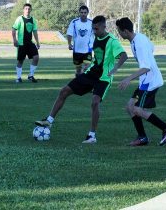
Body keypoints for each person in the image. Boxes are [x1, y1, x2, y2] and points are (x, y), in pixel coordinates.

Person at [35, 15, 128, 144]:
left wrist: (115, 68)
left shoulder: (112, 40)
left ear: (103, 27)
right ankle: (49, 121)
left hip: (104, 78)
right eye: (93, 29)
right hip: (91, 74)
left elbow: (124, 56)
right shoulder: (96, 37)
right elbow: (99, 57)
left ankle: (92, 136)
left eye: (96, 29)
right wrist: (89, 66)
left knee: (95, 102)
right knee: (64, 91)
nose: (94, 31)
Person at [115, 17, 166, 146]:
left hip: (150, 81)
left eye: (119, 31)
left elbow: (146, 67)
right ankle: (142, 137)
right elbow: (152, 48)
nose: (119, 34)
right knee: (130, 107)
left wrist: (128, 78)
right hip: (145, 80)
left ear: (125, 31)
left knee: (136, 109)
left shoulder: (139, 43)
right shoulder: (138, 38)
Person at [12, 3, 40, 83]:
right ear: (23, 10)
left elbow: (35, 32)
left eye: (29, 9)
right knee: (21, 60)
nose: (27, 10)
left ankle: (31, 76)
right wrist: (14, 40)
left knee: (36, 58)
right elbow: (13, 29)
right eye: (26, 9)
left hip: (30, 43)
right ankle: (18, 78)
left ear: (31, 10)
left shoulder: (33, 20)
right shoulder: (19, 19)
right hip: (21, 43)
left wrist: (38, 42)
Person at [66, 5, 94, 77]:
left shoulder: (91, 22)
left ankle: (84, 82)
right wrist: (69, 44)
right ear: (79, 13)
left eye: (85, 12)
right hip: (77, 49)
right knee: (78, 69)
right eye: (81, 12)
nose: (83, 14)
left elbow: (96, 34)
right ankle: (78, 81)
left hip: (88, 49)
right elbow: (69, 33)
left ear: (87, 13)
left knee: (86, 67)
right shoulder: (74, 22)